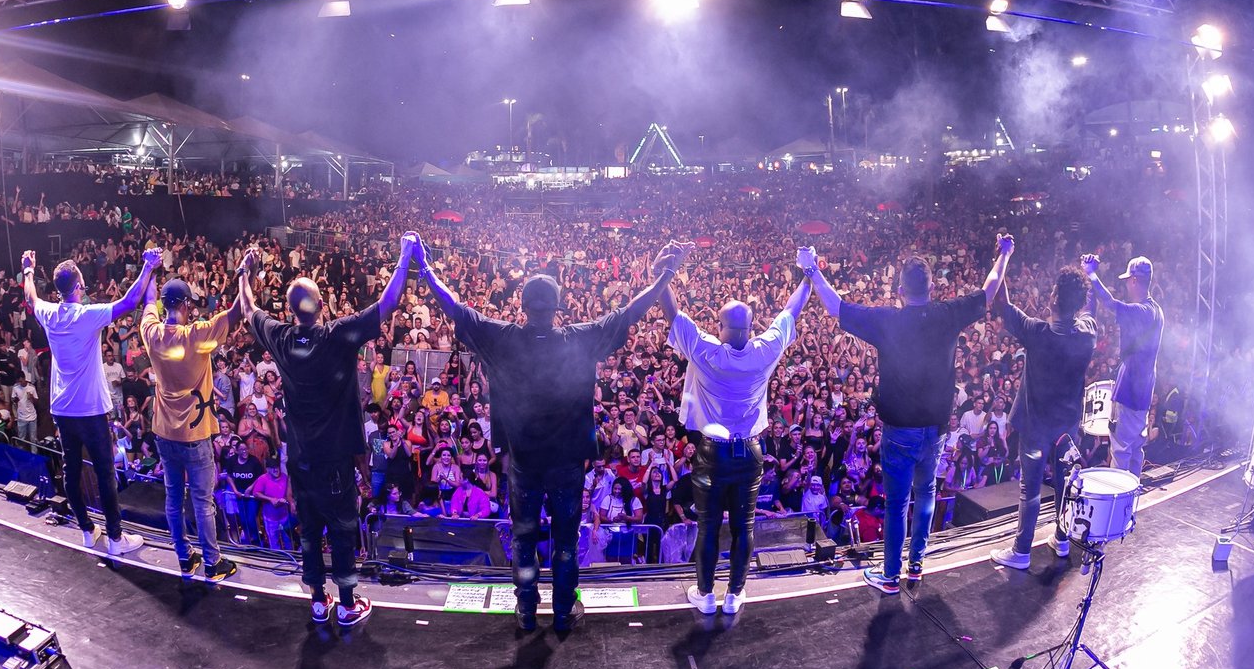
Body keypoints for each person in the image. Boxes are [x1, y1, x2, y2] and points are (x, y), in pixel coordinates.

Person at [415, 232, 681, 633]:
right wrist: (665, 276)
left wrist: (424, 267)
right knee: (566, 540)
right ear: (557, 308)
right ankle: (562, 610)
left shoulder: (502, 338)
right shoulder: (579, 338)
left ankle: (526, 609)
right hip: (567, 462)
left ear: (523, 306)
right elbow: (628, 314)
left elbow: (456, 309)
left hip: (523, 461)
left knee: (523, 537)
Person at [806, 235, 1012, 594]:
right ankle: (916, 565)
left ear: (900, 290)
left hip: (899, 431)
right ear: (931, 288)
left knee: (898, 504)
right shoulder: (947, 314)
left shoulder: (888, 320)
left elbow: (836, 307)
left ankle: (890, 576)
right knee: (926, 494)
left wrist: (811, 270)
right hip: (935, 430)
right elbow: (990, 288)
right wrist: (1004, 254)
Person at [243, 238, 414, 626]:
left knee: (309, 529)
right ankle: (348, 603)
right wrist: (404, 258)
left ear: (291, 311)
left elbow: (249, 309)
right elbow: (387, 303)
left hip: (300, 458)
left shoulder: (281, 337)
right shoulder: (337, 334)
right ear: (322, 305)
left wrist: (243, 274)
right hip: (334, 458)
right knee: (341, 527)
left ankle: (319, 600)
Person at [661, 242, 810, 615]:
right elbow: (791, 311)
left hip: (713, 454)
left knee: (709, 526)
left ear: (721, 327)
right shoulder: (764, 351)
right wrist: (809, 275)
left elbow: (672, 314)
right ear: (751, 327)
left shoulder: (707, 351)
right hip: (750, 453)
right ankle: (734, 595)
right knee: (744, 526)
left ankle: (705, 595)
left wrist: (665, 272)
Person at [21, 246, 160, 556]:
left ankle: (87, 530)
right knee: (105, 473)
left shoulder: (49, 313)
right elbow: (130, 302)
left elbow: (31, 298)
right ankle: (115, 539)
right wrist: (148, 266)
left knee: (70, 470)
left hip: (62, 410)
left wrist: (28, 269)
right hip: (91, 411)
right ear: (80, 286)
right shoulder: (87, 316)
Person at [138, 270, 245, 581]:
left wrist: (150, 269)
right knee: (202, 501)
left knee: (173, 496)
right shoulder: (197, 336)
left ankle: (185, 558)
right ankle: (212, 562)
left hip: (163, 433)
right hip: (194, 435)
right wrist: (245, 274)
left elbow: (148, 300)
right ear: (185, 304)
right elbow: (237, 312)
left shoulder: (151, 333)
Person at [988, 266, 1098, 571]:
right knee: (1064, 484)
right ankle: (1061, 539)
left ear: (1053, 297)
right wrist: (1091, 274)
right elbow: (1091, 311)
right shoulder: (1088, 332)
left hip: (1036, 426)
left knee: (1031, 489)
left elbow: (1002, 304)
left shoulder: (1038, 333)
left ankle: (1021, 551)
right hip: (1067, 427)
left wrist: (1004, 257)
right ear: (1080, 302)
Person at [1083, 254, 1165, 477]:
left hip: (1130, 389)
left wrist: (1091, 274)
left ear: (1135, 280)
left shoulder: (1142, 312)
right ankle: (1133, 493)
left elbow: (1110, 303)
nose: (1126, 285)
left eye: (1128, 280)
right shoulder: (1156, 310)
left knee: (1120, 450)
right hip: (1144, 389)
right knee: (1136, 449)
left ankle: (1118, 496)